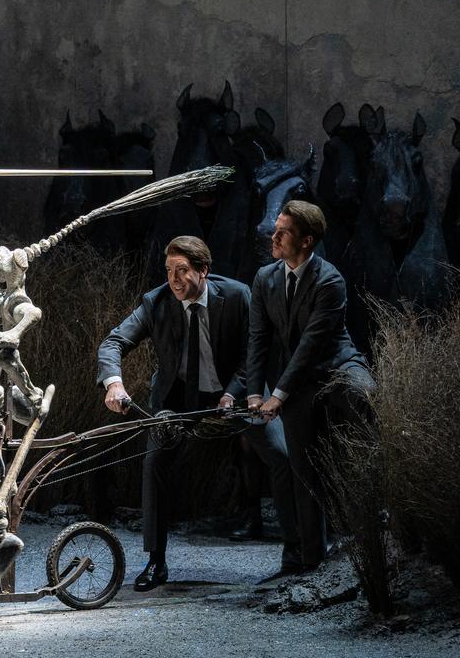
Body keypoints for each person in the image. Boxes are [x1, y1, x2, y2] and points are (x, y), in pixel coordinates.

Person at [97, 236, 297, 591]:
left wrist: (230, 396)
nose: (173, 279)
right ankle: (156, 562)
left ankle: (297, 554)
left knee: (281, 455)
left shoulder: (236, 297)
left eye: (182, 271)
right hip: (179, 400)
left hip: (238, 393)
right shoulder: (156, 301)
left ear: (203, 271)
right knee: (154, 462)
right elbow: (114, 341)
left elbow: (254, 354)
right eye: (169, 271)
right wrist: (114, 382)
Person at [246, 200, 374, 571]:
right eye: (276, 229)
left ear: (306, 241)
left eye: (282, 232)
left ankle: (376, 518)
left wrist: (278, 396)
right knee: (302, 469)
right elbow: (258, 340)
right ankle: (312, 562)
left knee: (363, 394)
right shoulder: (265, 279)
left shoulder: (330, 280)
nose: (274, 237)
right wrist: (257, 393)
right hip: (297, 379)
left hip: (335, 365)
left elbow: (311, 346)